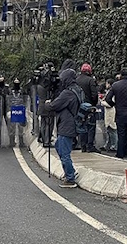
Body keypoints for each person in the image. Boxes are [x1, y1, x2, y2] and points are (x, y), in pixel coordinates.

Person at [45, 60, 81, 188]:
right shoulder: (77, 90)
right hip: (71, 124)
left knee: (64, 152)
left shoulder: (67, 93)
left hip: (66, 125)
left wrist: (48, 103)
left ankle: (70, 178)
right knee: (59, 146)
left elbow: (55, 105)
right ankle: (70, 171)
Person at [105, 68, 127, 161]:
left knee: (121, 135)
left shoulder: (115, 85)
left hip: (120, 113)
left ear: (121, 75)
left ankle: (120, 153)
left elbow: (108, 98)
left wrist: (114, 104)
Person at [76, 63, 99, 152]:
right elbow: (94, 94)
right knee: (91, 126)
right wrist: (94, 104)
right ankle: (90, 145)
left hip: (80, 107)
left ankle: (83, 145)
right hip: (89, 106)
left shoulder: (77, 80)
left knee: (81, 125)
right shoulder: (90, 80)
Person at [6, 78, 27, 147]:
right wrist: (9, 109)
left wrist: (24, 108)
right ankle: (11, 142)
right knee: (12, 127)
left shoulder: (22, 90)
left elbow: (25, 99)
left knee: (21, 127)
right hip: (13, 109)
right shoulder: (10, 90)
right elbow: (8, 99)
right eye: (15, 83)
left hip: (20, 109)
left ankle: (21, 142)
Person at [99, 79, 118, 153]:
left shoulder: (112, 91)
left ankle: (114, 146)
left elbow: (111, 103)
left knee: (112, 129)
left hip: (111, 112)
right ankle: (108, 144)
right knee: (109, 130)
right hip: (109, 112)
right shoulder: (110, 91)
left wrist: (102, 102)